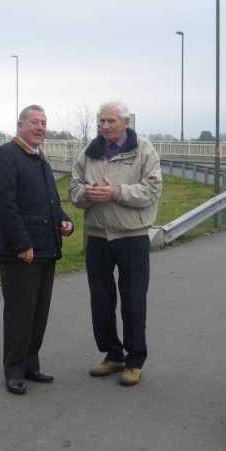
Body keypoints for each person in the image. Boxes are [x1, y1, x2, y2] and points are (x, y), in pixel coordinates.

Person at [68, 100, 162, 386]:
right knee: (101, 300)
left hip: (131, 236)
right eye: (101, 121)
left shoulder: (144, 150)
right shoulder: (88, 153)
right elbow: (73, 190)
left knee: (133, 301)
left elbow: (153, 189)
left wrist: (116, 193)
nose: (105, 126)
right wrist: (87, 193)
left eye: (111, 121)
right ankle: (113, 355)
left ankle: (134, 361)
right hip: (97, 237)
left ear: (126, 123)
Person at [0, 105, 74, 395]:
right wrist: (23, 244)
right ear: (20, 125)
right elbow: (4, 204)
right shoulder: (5, 156)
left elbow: (52, 201)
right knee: (19, 313)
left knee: (38, 313)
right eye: (34, 122)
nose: (40, 127)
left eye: (44, 123)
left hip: (46, 249)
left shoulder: (41, 161)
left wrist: (65, 220)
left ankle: (30, 365)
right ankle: (13, 371)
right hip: (21, 252)